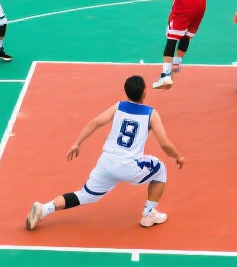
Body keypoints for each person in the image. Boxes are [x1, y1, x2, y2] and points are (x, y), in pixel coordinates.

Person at [25, 75, 184, 231]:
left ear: (126, 92)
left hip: (106, 164)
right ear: (144, 92)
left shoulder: (118, 107)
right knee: (160, 169)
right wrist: (178, 156)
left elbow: (95, 123)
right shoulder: (151, 113)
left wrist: (77, 143)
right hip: (130, 167)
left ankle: (44, 209)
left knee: (84, 195)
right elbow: (164, 144)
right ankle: (149, 214)